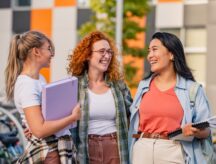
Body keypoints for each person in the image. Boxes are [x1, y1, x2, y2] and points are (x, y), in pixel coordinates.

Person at [128, 32, 212, 164]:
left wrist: (194, 131)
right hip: (142, 150)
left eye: (155, 49)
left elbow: (207, 130)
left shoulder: (192, 89)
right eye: (149, 51)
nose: (150, 56)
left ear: (171, 54)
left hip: (173, 151)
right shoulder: (143, 86)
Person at [5, 30, 81, 163]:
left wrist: (32, 126)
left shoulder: (39, 79)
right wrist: (72, 117)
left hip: (52, 149)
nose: (52, 54)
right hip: (48, 151)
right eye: (49, 49)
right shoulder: (27, 84)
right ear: (36, 51)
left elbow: (39, 123)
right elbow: (40, 130)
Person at [67, 31, 133, 164]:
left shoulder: (119, 86)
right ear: (87, 55)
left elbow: (134, 116)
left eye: (109, 52)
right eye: (102, 51)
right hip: (85, 149)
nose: (107, 56)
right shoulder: (74, 86)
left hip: (115, 147)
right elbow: (61, 117)